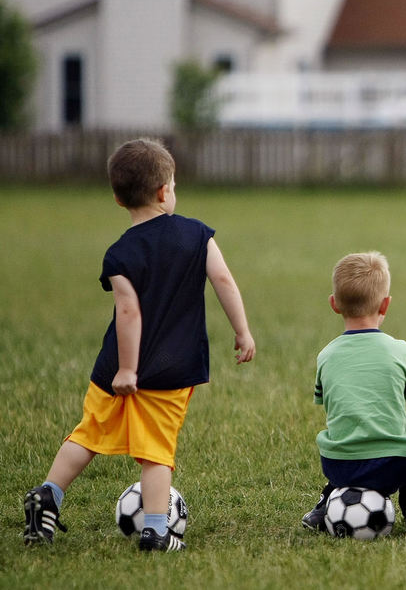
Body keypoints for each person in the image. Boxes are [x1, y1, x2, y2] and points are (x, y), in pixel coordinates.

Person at [22, 138, 255, 552]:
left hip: (113, 367)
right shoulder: (197, 234)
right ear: (165, 191)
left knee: (88, 435)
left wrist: (124, 369)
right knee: (155, 454)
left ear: (117, 197)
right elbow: (223, 281)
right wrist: (242, 331)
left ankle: (47, 496)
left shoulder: (120, 254)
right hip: (167, 369)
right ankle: (155, 531)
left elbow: (127, 312)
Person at [302, 252, 406, 535]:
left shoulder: (326, 356)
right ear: (385, 304)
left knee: (345, 433)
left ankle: (328, 501)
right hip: (393, 466)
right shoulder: (400, 351)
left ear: (334, 304)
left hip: (338, 466)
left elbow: (330, 406)